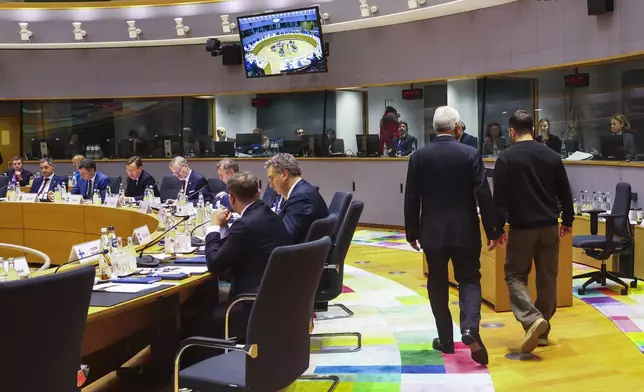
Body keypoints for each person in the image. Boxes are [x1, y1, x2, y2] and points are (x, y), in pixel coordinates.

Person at [404, 106, 501, 366]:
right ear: (457, 127)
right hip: (465, 230)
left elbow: (412, 197)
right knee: (469, 279)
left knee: (437, 283)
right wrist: (493, 229)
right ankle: (469, 329)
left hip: (432, 232)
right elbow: (483, 193)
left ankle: (445, 340)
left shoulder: (419, 157)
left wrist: (411, 231)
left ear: (435, 129)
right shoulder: (470, 153)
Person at [494, 110, 574, 354]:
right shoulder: (551, 155)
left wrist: (497, 228)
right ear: (534, 129)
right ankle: (542, 332)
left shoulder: (506, 158)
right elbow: (565, 191)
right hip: (550, 226)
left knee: (515, 276)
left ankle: (531, 319)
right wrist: (568, 219)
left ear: (511, 131)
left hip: (522, 229)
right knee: (548, 279)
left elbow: (500, 199)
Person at [202, 172, 292, 340]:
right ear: (257, 192)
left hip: (251, 303)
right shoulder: (270, 214)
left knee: (197, 318)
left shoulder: (244, 225)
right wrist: (224, 228)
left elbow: (214, 263)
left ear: (231, 198)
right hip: (275, 296)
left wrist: (213, 227)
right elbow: (235, 248)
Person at [265, 153, 329, 243]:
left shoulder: (301, 198)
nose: (270, 185)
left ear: (284, 175)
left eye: (271, 178)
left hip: (302, 253)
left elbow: (286, 237)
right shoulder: (300, 191)